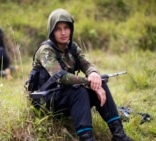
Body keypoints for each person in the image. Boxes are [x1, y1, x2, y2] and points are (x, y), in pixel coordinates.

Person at [31, 8, 133, 141]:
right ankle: (87, 138)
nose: (63, 32)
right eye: (58, 29)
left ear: (71, 29)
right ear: (51, 31)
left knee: (100, 82)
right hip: (46, 100)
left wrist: (94, 74)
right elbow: (61, 77)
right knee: (80, 91)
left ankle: (119, 135)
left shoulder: (72, 47)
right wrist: (89, 82)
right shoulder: (45, 51)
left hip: (67, 96)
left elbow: (87, 64)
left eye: (66, 27)